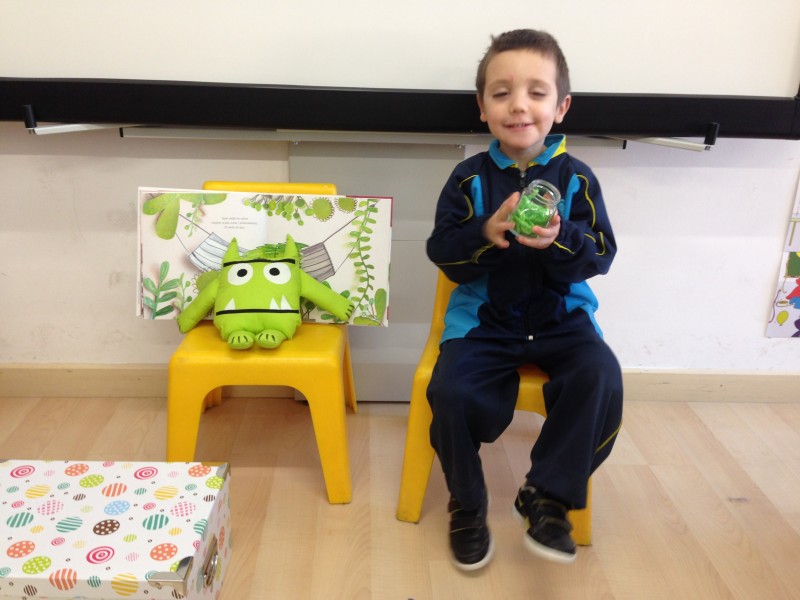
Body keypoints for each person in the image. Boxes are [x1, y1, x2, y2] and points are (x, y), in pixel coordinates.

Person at [426, 28, 623, 571]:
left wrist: (559, 237)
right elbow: (442, 250)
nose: (518, 105)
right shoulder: (467, 178)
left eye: (536, 92)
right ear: (482, 107)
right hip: (484, 321)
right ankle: (468, 503)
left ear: (561, 107)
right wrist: (485, 234)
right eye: (502, 93)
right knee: (450, 394)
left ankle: (546, 496)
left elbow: (601, 254)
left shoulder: (577, 178)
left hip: (562, 320)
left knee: (600, 378)